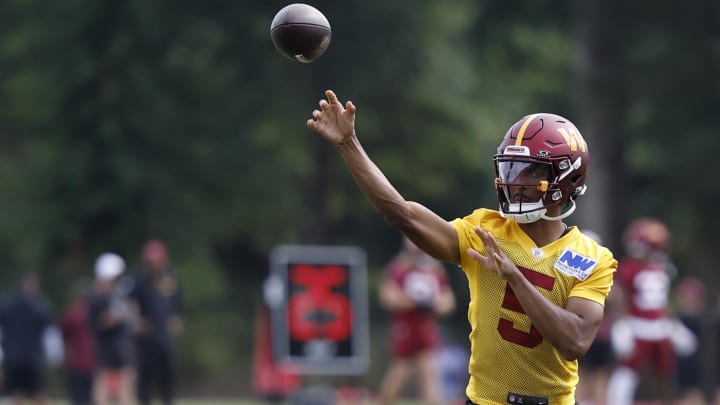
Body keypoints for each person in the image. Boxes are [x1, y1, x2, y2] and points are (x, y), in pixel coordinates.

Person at [306, 90, 617, 405]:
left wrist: (515, 278)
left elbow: (575, 341)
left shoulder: (593, 257)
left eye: (531, 170)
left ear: (565, 176)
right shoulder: (486, 229)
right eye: (512, 168)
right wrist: (349, 145)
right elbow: (401, 214)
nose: (515, 180)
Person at [606, 217, 690, 405]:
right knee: (627, 371)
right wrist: (621, 325)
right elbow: (622, 298)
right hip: (637, 326)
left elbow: (663, 301)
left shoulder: (663, 267)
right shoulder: (630, 268)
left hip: (659, 327)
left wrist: (673, 325)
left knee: (666, 372)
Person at [377, 236, 456, 405]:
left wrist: (434, 303)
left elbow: (448, 301)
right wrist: (413, 301)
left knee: (431, 381)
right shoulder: (399, 267)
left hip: (427, 329)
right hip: (405, 329)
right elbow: (387, 297)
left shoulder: (434, 269)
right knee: (396, 381)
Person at [128, 240, 183, 405]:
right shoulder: (138, 278)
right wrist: (138, 322)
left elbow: (178, 303)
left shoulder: (170, 277)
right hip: (146, 337)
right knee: (145, 375)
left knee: (168, 374)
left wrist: (177, 320)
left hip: (164, 335)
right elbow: (130, 304)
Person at [87, 252, 137, 405]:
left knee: (127, 379)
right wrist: (116, 317)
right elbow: (97, 323)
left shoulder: (121, 296)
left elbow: (131, 316)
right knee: (102, 379)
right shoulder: (97, 298)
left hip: (123, 342)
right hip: (105, 344)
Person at [0, 271, 55, 405]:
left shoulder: (40, 305)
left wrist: (52, 354)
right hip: (17, 356)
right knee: (17, 392)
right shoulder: (10, 304)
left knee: (38, 392)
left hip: (30, 356)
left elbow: (49, 331)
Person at [60, 279, 96, 405]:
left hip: (76, 361)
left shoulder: (72, 313)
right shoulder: (96, 312)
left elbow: (63, 333)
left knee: (77, 399)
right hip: (94, 362)